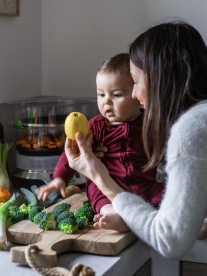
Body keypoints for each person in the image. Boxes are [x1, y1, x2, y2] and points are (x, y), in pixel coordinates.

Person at [64, 20, 207, 259]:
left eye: (135, 82)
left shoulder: (196, 126)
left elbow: (170, 241)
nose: (134, 94)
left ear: (161, 79)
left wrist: (98, 175)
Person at [37, 53, 165, 232]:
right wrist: (59, 178)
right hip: (105, 186)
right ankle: (117, 218)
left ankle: (190, 225)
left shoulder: (150, 123)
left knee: (166, 197)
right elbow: (73, 152)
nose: (106, 101)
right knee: (101, 200)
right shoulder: (96, 126)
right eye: (101, 94)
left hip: (142, 184)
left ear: (137, 95)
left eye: (117, 95)